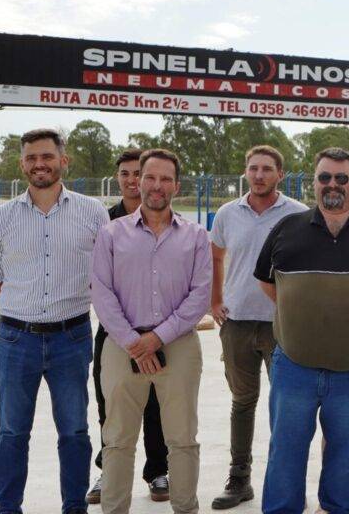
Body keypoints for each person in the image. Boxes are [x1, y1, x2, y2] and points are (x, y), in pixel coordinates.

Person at [254, 147, 349, 514]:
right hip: (294, 368)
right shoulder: (288, 229)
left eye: (341, 178)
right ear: (314, 182)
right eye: (325, 177)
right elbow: (268, 283)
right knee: (286, 455)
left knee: (348, 459)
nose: (332, 185)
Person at [0, 128, 110, 514]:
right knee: (12, 432)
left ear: (62, 161)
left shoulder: (92, 212)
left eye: (47, 156)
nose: (40, 164)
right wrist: (28, 307)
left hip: (71, 338)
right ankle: (8, 508)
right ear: (22, 164)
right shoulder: (0, 218)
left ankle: (74, 507)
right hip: (15, 340)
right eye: (32, 158)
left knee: (73, 431)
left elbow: (104, 273)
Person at [91, 148, 212, 514]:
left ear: (176, 185)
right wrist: (134, 342)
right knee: (117, 439)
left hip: (178, 346)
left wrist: (157, 338)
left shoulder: (195, 236)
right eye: (150, 177)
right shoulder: (111, 234)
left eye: (165, 179)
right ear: (137, 181)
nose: (156, 185)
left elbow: (200, 294)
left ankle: (185, 507)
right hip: (121, 346)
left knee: (182, 438)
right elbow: (102, 291)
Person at [208, 145, 307, 509]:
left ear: (280, 174)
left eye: (267, 169)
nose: (259, 174)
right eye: (253, 168)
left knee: (286, 407)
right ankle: (239, 478)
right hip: (237, 324)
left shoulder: (298, 214)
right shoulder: (227, 213)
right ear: (246, 172)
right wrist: (215, 300)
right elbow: (215, 256)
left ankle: (284, 481)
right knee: (243, 402)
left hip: (282, 324)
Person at [88, 148, 170, 505]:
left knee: (156, 403)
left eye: (139, 172)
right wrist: (127, 338)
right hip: (114, 331)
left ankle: (158, 471)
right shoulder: (106, 223)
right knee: (110, 404)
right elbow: (100, 285)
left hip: (157, 331)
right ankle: (108, 471)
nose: (133, 179)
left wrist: (151, 337)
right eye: (125, 173)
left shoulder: (169, 222)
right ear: (118, 178)